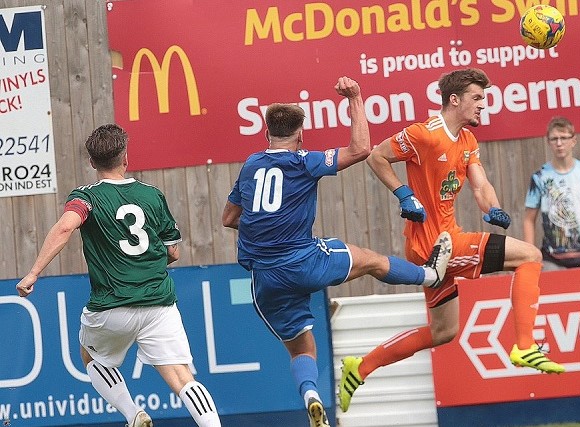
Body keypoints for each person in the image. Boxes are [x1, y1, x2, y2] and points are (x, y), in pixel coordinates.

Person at [220, 77, 452, 427]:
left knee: (301, 349)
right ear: (300, 135)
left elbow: (229, 218)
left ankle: (311, 396)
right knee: (371, 260)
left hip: (265, 279)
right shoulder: (304, 161)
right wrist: (355, 97)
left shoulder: (251, 165)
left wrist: (266, 228)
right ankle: (429, 275)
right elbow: (360, 149)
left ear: (266, 134)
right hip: (305, 261)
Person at [339, 68, 564, 413]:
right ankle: (523, 344)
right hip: (434, 246)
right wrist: (403, 194)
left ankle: (361, 367)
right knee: (530, 255)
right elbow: (376, 155)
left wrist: (495, 210)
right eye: (477, 98)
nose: (483, 105)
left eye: (484, 99)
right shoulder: (424, 134)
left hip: (443, 244)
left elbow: (480, 185)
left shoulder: (467, 141)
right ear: (454, 100)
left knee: (444, 331)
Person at [16, 124, 222, 427]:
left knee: (90, 355)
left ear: (91, 162)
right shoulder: (151, 195)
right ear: (125, 157)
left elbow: (64, 227)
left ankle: (133, 414)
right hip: (159, 305)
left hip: (111, 307)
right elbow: (174, 252)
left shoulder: (86, 198)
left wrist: (33, 273)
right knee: (181, 377)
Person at [523, 116, 580, 270]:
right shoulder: (540, 177)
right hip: (552, 258)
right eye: (554, 139)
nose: (559, 144)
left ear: (573, 140)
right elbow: (529, 219)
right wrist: (531, 260)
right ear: (548, 142)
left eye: (563, 138)